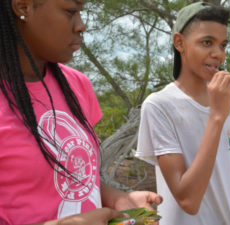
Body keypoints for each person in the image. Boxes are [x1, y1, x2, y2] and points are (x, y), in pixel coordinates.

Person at [0, 1, 162, 225]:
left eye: (81, 12)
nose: (81, 25)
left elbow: (76, 179)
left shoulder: (75, 84)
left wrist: (117, 199)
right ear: (23, 7)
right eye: (70, 12)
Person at [135, 2, 230, 225]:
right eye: (207, 42)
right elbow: (188, 200)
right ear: (179, 42)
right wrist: (217, 116)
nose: (218, 54)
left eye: (223, 45)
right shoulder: (159, 105)